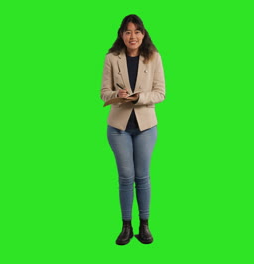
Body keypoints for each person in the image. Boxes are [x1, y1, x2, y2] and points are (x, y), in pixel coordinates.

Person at [101, 14, 165, 245]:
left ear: (144, 34)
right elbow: (103, 93)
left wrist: (138, 97)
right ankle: (126, 226)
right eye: (128, 32)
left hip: (146, 126)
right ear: (121, 34)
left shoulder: (153, 57)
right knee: (126, 177)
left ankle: (145, 225)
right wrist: (116, 95)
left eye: (137, 31)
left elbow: (161, 92)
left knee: (143, 176)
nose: (133, 36)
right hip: (119, 127)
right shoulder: (111, 58)